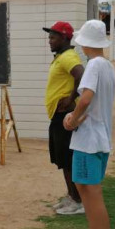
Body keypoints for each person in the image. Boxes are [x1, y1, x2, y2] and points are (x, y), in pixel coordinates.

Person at [63, 20, 115, 229]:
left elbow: (85, 99)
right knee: (84, 188)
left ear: (85, 42)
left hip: (89, 140)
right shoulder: (107, 66)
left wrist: (72, 119)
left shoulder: (94, 65)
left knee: (92, 193)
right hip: (99, 137)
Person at [43, 21, 86, 215]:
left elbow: (81, 74)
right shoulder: (61, 57)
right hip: (57, 115)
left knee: (67, 159)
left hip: (64, 116)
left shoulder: (68, 57)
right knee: (62, 158)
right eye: (49, 37)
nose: (49, 41)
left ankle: (78, 201)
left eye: (53, 37)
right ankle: (71, 195)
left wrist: (70, 98)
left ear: (64, 38)